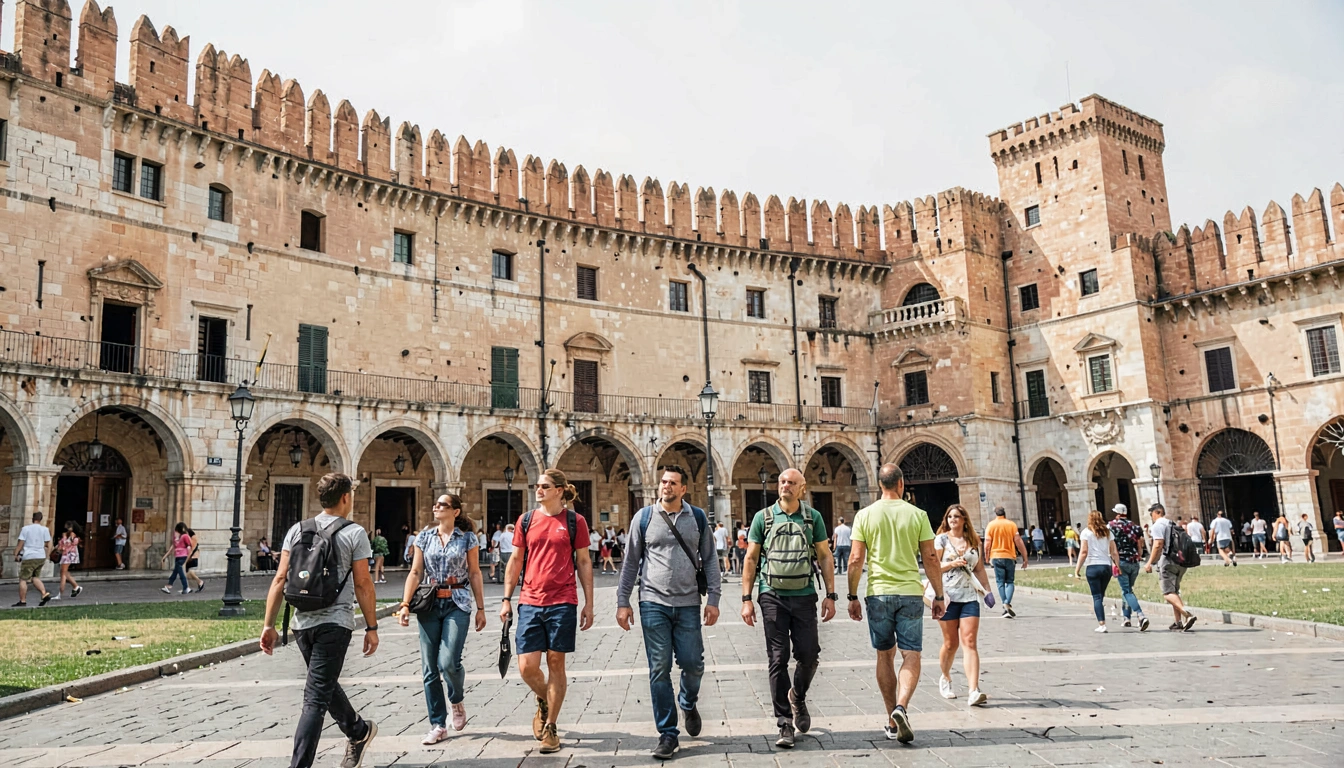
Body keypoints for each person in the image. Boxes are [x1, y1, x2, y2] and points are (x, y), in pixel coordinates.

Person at [260, 472, 380, 768]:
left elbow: (279, 579)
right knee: (317, 696)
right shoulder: (354, 532)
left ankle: (358, 731)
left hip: (302, 622)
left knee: (320, 687)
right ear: (345, 498)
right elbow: (364, 583)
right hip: (335, 623)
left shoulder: (297, 530)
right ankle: (355, 732)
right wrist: (372, 627)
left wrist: (269, 624)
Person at [616, 467, 722, 760]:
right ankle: (668, 733)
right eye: (663, 482)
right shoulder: (645, 518)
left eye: (672, 483)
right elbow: (630, 563)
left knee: (693, 664)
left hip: (688, 603)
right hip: (652, 602)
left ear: (683, 489)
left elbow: (710, 560)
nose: (666, 486)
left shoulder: (698, 518)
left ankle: (687, 701)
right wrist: (622, 601)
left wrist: (713, 598)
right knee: (659, 668)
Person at [500, 468, 595, 755]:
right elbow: (516, 560)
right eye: (537, 485)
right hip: (530, 599)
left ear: (560, 490)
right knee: (527, 666)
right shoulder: (526, 520)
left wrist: (589, 602)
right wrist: (506, 598)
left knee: (556, 663)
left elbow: (584, 562)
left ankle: (551, 726)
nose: (538, 490)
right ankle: (545, 699)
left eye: (544, 486)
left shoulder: (575, 522)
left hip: (563, 600)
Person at [846, 463, 943, 743]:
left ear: (880, 485)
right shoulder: (917, 515)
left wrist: (852, 596)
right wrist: (937, 594)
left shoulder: (864, 515)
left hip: (878, 593)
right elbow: (931, 558)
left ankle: (891, 719)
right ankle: (902, 706)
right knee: (911, 654)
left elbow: (855, 559)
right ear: (901, 485)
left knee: (884, 655)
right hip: (910, 592)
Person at [740, 467, 837, 749]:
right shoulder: (763, 518)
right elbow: (751, 558)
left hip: (805, 594)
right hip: (772, 595)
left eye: (791, 482)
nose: (785, 486)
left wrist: (831, 594)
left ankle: (798, 697)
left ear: (802, 488)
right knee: (777, 658)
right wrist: (747, 599)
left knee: (809, 655)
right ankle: (784, 724)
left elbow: (824, 555)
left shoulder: (812, 517)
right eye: (782, 481)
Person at [397, 494, 486, 745]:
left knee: (448, 662)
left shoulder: (468, 538)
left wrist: (480, 608)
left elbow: (475, 573)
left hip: (458, 602)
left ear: (455, 512)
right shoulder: (424, 537)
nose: (436, 507)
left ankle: (456, 699)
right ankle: (437, 723)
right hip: (430, 603)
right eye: (435, 504)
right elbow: (415, 572)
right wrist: (405, 604)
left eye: (443, 505)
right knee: (429, 668)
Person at [933, 504, 991, 707]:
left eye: (957, 516)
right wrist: (951, 564)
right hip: (946, 597)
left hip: (969, 598)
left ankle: (973, 690)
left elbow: (980, 569)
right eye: (950, 517)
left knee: (970, 642)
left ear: (964, 519)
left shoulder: (974, 541)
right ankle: (945, 677)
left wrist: (988, 591)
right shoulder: (941, 539)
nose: (953, 520)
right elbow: (933, 566)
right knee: (951, 644)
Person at [1144, 503, 1196, 632]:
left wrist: (1149, 562)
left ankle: (1186, 614)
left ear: (1157, 512)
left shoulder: (1157, 526)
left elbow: (1158, 544)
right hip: (1181, 561)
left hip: (1168, 561)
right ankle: (1178, 621)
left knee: (1167, 593)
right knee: (1174, 592)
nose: (1151, 516)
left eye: (1152, 513)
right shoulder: (1172, 524)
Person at [1074, 511, 1120, 633]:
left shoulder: (1085, 532)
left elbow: (1083, 552)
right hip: (1106, 567)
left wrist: (1077, 569)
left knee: (1097, 597)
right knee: (1101, 595)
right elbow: (1114, 551)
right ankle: (1101, 614)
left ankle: (1102, 624)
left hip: (1093, 567)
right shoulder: (1108, 532)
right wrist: (1117, 565)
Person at [1108, 504, 1149, 630]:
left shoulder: (1111, 526)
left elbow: (1110, 544)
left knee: (1127, 591)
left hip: (1121, 561)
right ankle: (1126, 618)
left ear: (1118, 514)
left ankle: (1141, 615)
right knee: (1127, 590)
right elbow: (1140, 544)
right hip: (1134, 562)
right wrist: (1139, 556)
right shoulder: (1136, 527)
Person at [984, 506, 1029, 618]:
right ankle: (1007, 603)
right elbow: (1018, 541)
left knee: (1000, 582)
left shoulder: (991, 525)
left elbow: (987, 543)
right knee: (1010, 581)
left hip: (996, 556)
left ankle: (1004, 603)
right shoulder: (1011, 525)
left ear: (995, 514)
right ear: (1005, 513)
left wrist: (986, 556)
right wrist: (1025, 557)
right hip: (1010, 556)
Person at [13, 512, 53, 607]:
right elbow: (49, 543)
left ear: (32, 518)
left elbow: (21, 543)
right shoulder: (45, 529)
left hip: (29, 556)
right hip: (40, 556)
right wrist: (47, 554)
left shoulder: (26, 529)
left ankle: (22, 601)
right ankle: (44, 593)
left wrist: (16, 553)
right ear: (41, 519)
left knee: (23, 579)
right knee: (35, 577)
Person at [53, 522, 84, 599]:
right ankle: (76, 586)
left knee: (63, 574)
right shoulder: (74, 536)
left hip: (67, 556)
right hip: (70, 555)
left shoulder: (68, 536)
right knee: (65, 572)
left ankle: (60, 592)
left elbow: (63, 546)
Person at [160, 522, 193, 595]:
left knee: (180, 572)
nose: (175, 532)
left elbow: (189, 547)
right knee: (176, 571)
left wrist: (187, 558)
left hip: (183, 556)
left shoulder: (185, 536)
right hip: (177, 556)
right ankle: (173, 585)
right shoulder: (175, 537)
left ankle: (182, 586)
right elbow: (173, 547)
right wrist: (165, 556)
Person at [184, 527, 205, 594]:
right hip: (191, 558)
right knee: (187, 574)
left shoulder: (193, 539)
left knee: (190, 572)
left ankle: (200, 582)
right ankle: (189, 587)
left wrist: (186, 560)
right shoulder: (190, 539)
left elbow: (191, 551)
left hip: (192, 558)